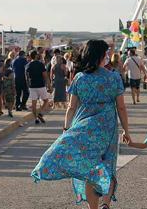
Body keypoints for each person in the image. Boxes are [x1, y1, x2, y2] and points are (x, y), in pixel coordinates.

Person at [31, 40, 131, 209]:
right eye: (106, 53)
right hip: (107, 128)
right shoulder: (113, 77)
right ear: (100, 56)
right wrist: (126, 131)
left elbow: (71, 107)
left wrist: (66, 129)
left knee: (89, 169)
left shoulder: (79, 78)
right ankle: (105, 204)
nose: (107, 56)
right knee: (108, 164)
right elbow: (121, 107)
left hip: (83, 127)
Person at [25, 50, 50, 124]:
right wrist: (49, 85)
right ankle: (40, 113)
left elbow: (26, 78)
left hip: (32, 86)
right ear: (36, 56)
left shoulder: (27, 65)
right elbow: (45, 76)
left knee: (34, 104)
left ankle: (36, 118)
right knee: (46, 101)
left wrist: (28, 86)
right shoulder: (41, 64)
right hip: (41, 85)